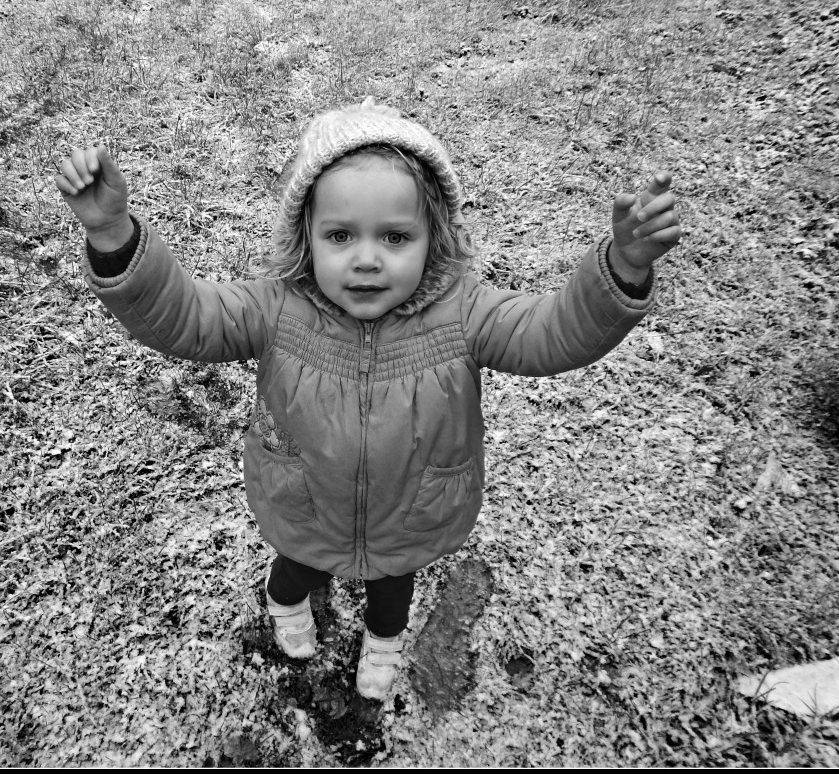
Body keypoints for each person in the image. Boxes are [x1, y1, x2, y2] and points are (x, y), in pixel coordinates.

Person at [55, 98, 681, 700]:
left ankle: (384, 639)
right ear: (306, 236)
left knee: (392, 586)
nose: (366, 260)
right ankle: (287, 599)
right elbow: (183, 319)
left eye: (395, 238)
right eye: (339, 235)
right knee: (298, 564)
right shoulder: (275, 308)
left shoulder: (464, 313)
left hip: (411, 512)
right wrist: (113, 233)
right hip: (305, 503)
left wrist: (621, 268)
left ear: (434, 236)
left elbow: (553, 336)